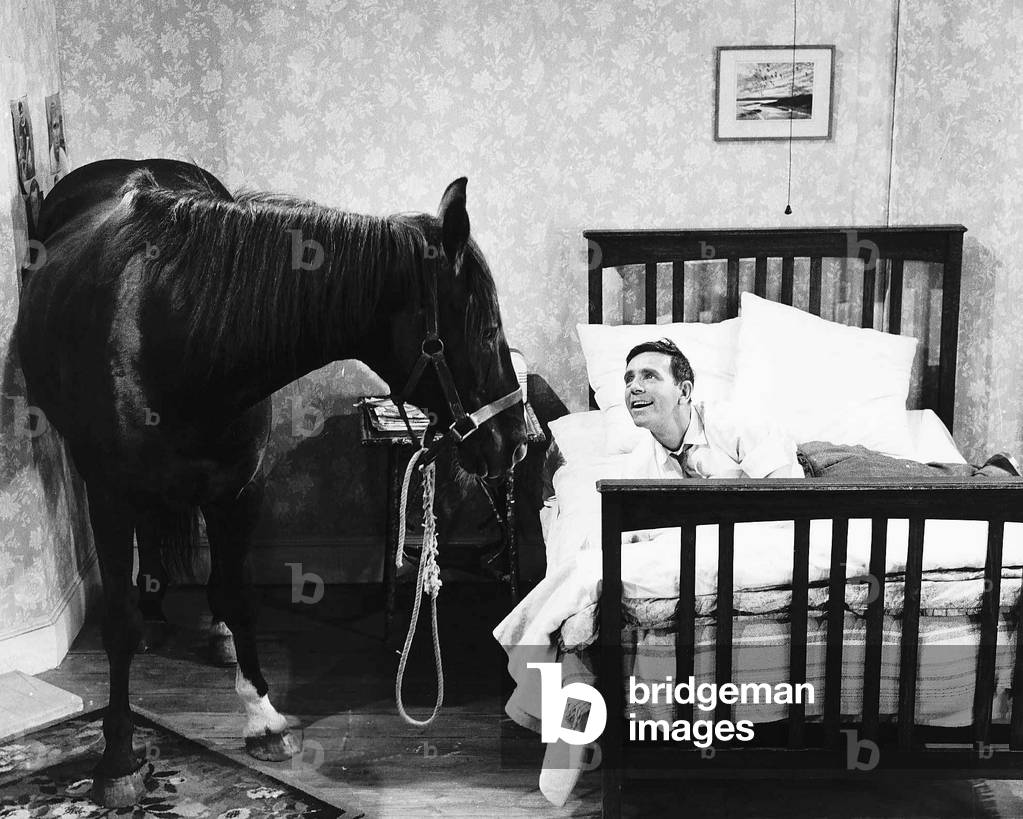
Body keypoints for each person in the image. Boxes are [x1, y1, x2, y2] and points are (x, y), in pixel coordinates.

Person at [623, 337, 804, 479]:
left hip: (808, 469)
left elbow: (782, 487)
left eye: (649, 376)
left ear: (684, 392)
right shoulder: (638, 467)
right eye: (629, 379)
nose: (634, 387)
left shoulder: (730, 421)